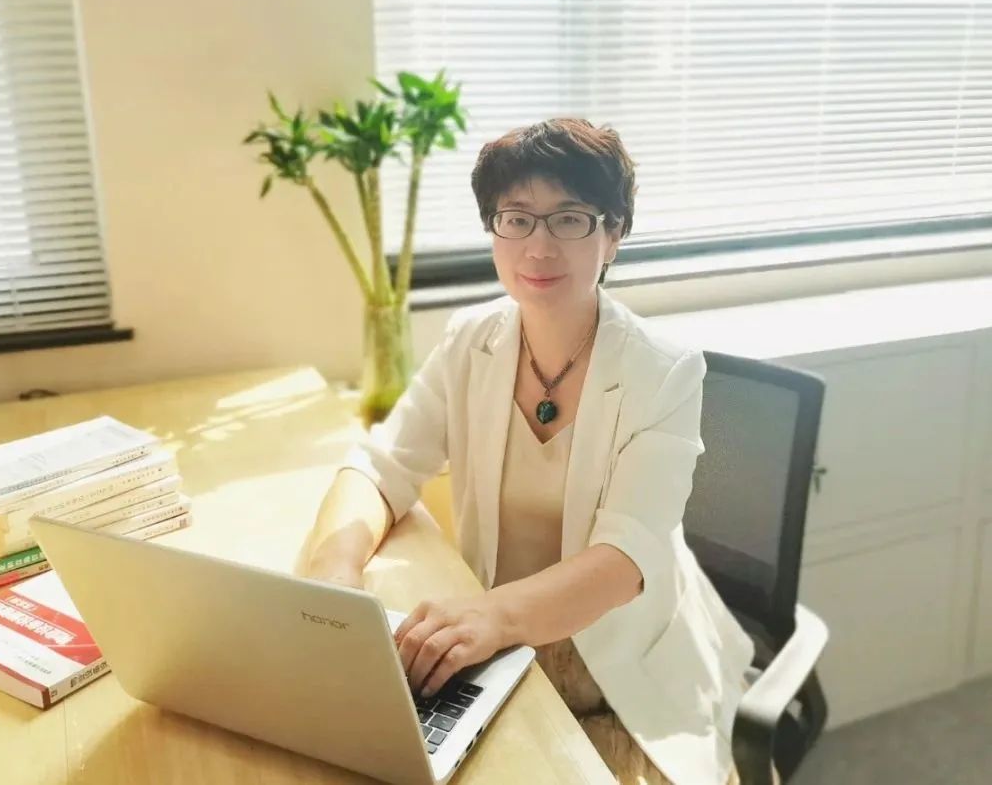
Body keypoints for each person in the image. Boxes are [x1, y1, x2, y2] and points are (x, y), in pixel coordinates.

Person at [301, 118, 755, 785]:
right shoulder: (471, 339)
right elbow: (381, 465)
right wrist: (332, 575)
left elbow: (625, 562)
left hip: (614, 662)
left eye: (569, 219)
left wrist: (490, 615)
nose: (538, 247)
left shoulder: (665, 370)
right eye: (516, 219)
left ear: (613, 233)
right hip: (495, 636)